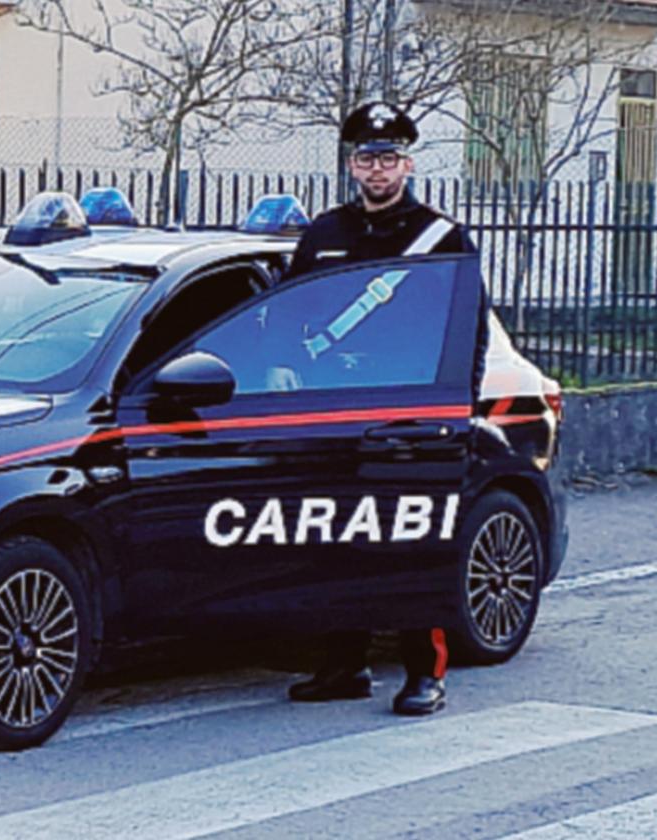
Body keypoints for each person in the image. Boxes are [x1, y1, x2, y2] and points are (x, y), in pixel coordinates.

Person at [284, 102, 478, 717]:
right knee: (338, 538)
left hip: (410, 416)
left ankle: (425, 673)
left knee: (411, 545)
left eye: (389, 157)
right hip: (334, 414)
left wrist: (453, 412)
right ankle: (345, 664)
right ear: (351, 164)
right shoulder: (325, 234)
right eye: (367, 158)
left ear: (408, 163)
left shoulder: (441, 238)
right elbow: (293, 319)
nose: (377, 169)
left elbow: (464, 330)